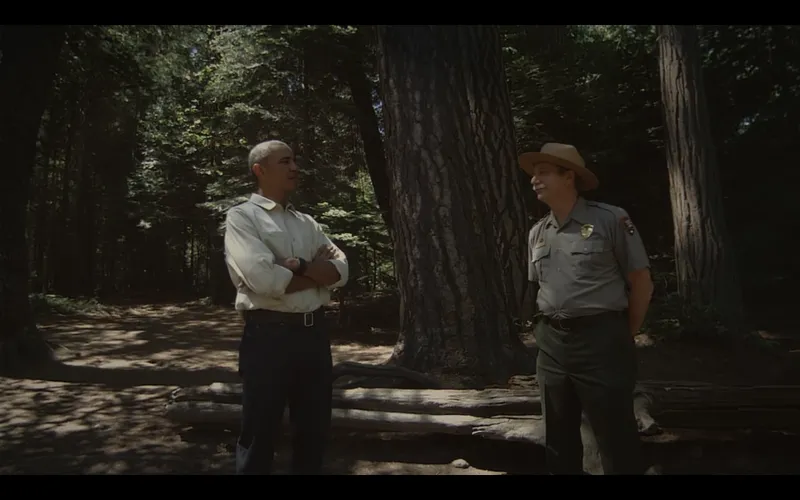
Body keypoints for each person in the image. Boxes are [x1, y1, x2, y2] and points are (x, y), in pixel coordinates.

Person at [520, 142, 653, 475]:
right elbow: (542, 287)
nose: (535, 180)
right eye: (534, 174)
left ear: (569, 177)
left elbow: (641, 282)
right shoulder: (537, 233)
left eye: (544, 172)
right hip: (551, 344)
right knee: (558, 438)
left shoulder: (610, 218)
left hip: (602, 340)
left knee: (615, 438)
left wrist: (624, 333)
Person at [223, 140, 349, 475]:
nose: (295, 167)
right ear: (259, 170)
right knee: (259, 434)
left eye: (295, 160)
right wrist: (317, 275)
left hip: (314, 337)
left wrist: (296, 267)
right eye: (284, 161)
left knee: (313, 432)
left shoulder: (306, 222)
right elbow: (264, 280)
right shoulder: (242, 218)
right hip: (267, 338)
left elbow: (343, 270)